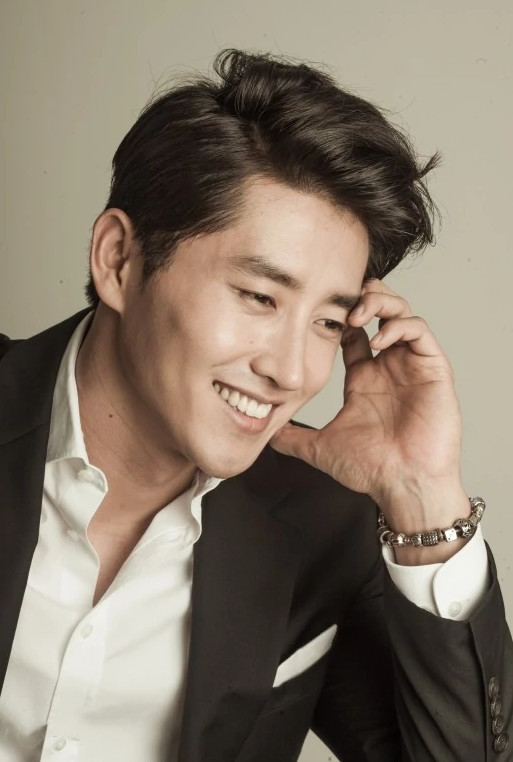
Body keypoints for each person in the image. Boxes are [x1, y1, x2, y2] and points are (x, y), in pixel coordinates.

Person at [0, 48, 510, 762]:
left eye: (327, 322)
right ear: (118, 259)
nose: (291, 371)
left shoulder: (323, 528)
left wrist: (422, 496)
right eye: (258, 297)